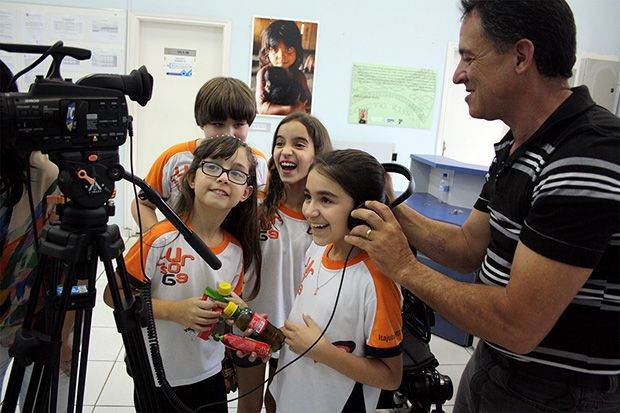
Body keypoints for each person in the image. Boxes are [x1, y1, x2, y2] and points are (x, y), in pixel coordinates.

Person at [345, 1, 620, 412]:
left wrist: (403, 267)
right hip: (494, 365)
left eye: (469, 58)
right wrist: (390, 206)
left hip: (556, 394)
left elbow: (517, 324)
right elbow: (468, 247)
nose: (458, 75)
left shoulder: (585, 155)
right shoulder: (516, 144)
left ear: (521, 57)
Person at [104, 136, 261, 411]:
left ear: (246, 193)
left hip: (209, 372)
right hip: (157, 374)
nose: (223, 177)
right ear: (190, 178)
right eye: (212, 167)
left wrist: (237, 319)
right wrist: (174, 311)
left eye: (236, 173)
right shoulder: (159, 238)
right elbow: (112, 295)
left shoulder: (236, 251)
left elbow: (223, 316)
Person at [270, 149, 403, 413]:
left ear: (362, 210)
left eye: (326, 200)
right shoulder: (319, 248)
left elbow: (390, 377)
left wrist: (323, 352)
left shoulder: (377, 281)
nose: (310, 210)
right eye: (308, 196)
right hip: (294, 394)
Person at [236, 112, 332, 413]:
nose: (286, 151)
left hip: (296, 332)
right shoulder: (256, 204)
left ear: (317, 154)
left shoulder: (327, 217)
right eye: (279, 143)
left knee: (278, 403)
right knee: (248, 404)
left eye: (299, 144)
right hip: (251, 324)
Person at [131, 76, 268, 232]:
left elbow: (260, 211)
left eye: (238, 125)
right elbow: (142, 204)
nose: (229, 134)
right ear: (201, 122)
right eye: (218, 124)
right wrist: (158, 238)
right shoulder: (175, 158)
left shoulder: (258, 162)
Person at [255, 20, 312, 115]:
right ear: (267, 52)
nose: (281, 56)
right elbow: (261, 109)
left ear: (297, 51)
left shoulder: (299, 75)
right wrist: (291, 109)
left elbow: (308, 102)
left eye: (289, 49)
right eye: (274, 50)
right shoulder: (263, 73)